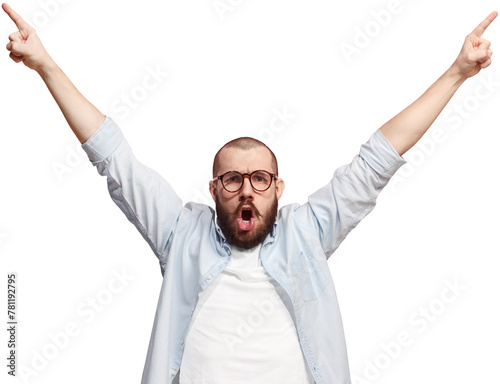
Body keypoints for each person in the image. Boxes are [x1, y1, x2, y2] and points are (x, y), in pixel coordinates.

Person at [3, 2, 496, 383]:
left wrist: (456, 73)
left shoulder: (309, 229)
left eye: (260, 179)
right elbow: (114, 157)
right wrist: (45, 63)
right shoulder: (180, 232)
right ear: (214, 189)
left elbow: (379, 158)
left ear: (278, 188)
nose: (247, 191)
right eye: (233, 180)